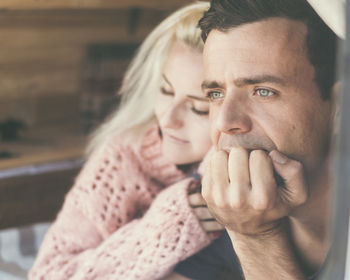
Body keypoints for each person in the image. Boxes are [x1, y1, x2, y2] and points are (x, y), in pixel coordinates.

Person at [28, 2, 225, 279]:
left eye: (198, 108)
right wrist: (161, 232)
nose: (168, 120)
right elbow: (46, 274)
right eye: (166, 91)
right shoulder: (122, 157)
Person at [177, 0, 339, 279]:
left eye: (262, 91)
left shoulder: (242, 217)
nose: (225, 122)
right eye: (216, 94)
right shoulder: (225, 207)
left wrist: (255, 238)